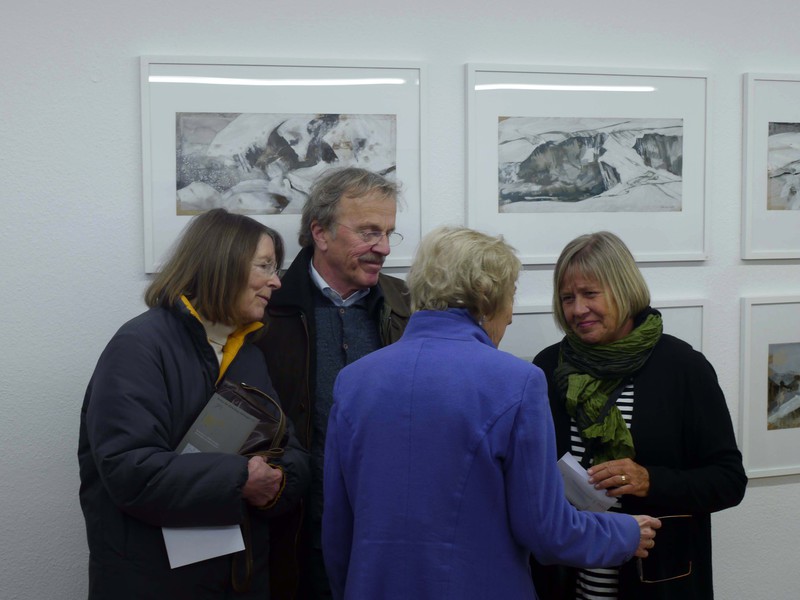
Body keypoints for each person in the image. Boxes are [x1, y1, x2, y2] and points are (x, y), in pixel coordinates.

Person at [322, 226, 662, 600]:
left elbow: (337, 530)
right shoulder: (516, 382)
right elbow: (546, 532)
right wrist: (625, 534)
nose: (511, 316)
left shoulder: (354, 382)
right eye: (510, 296)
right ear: (487, 298)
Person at [78, 209, 310, 599]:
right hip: (153, 584)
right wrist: (241, 479)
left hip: (238, 579)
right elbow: (129, 470)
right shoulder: (139, 346)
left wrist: (276, 483)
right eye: (265, 266)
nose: (276, 281)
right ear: (222, 264)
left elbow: (293, 454)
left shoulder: (248, 354)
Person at [531, 231, 747, 600]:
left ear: (624, 290)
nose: (577, 309)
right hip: (567, 580)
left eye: (590, 294)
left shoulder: (683, 368)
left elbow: (729, 481)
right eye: (567, 298)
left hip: (659, 582)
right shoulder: (549, 366)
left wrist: (650, 481)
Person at [255, 167, 411, 599]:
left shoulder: (409, 306)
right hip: (296, 532)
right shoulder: (267, 308)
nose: (383, 247)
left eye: (388, 233)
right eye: (368, 232)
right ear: (320, 233)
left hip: (389, 530)